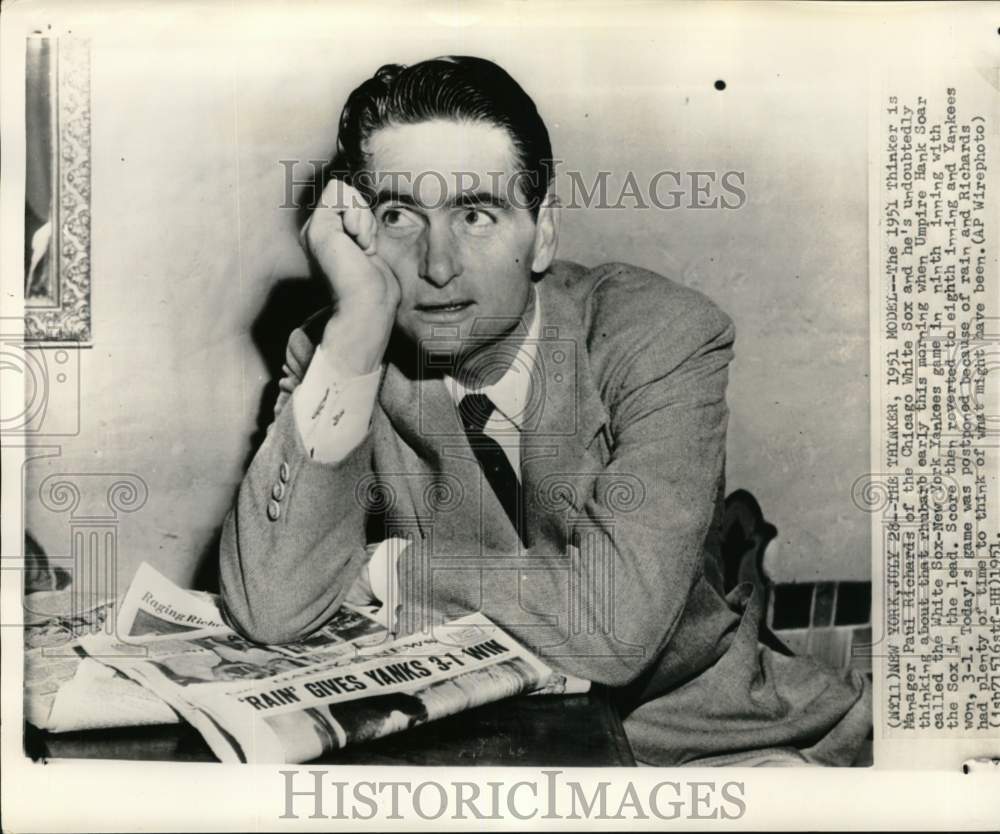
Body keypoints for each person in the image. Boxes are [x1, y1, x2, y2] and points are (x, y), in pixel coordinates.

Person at [219, 55, 871, 765]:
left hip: (700, 752)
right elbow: (272, 606)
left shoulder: (660, 334)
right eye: (399, 214)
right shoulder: (339, 349)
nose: (438, 265)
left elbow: (613, 628)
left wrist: (385, 573)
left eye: (476, 213)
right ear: (360, 231)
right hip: (477, 758)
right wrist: (357, 329)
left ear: (543, 232)